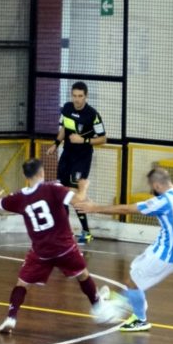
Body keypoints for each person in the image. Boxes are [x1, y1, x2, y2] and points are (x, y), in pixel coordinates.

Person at [75, 167, 173, 332]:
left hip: (165, 255)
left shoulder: (162, 201)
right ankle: (132, 300)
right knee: (134, 272)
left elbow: (126, 209)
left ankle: (140, 319)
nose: (150, 190)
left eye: (151, 187)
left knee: (132, 282)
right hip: (167, 251)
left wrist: (94, 208)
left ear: (156, 185)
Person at [0, 158, 102, 334]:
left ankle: (11, 318)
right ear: (42, 173)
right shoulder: (53, 188)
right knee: (83, 275)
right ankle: (98, 306)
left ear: (24, 175)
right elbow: (79, 201)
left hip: (41, 252)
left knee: (21, 284)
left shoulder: (18, 197)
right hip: (64, 247)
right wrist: (83, 187)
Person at [45, 81, 107, 245]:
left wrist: (84, 140)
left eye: (80, 96)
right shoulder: (66, 108)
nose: (77, 99)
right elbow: (64, 129)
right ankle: (64, 231)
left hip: (82, 158)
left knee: (74, 192)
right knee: (61, 191)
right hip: (67, 155)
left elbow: (103, 138)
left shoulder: (92, 114)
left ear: (86, 96)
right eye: (74, 96)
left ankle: (86, 232)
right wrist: (56, 144)